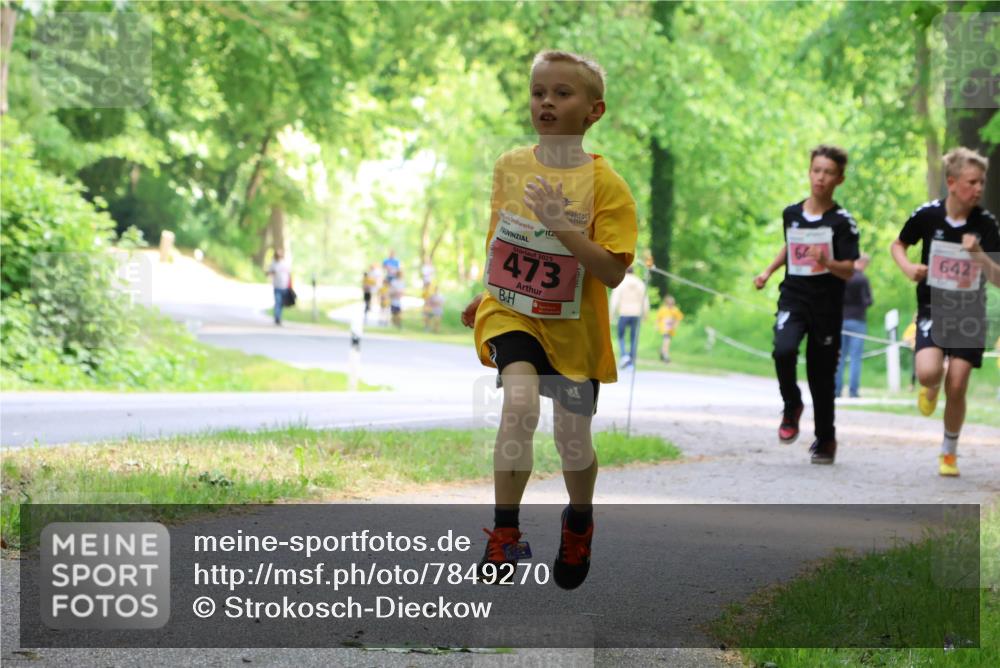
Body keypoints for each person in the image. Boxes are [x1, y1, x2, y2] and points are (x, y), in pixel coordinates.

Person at [460, 50, 636, 590]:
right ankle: (504, 535)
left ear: (594, 110)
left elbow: (611, 272)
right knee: (517, 403)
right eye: (539, 92)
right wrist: (483, 291)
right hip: (512, 312)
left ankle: (578, 520)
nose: (547, 102)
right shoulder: (511, 165)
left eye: (563, 93)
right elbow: (503, 237)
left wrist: (563, 225)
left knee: (572, 439)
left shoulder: (608, 187)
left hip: (574, 328)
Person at [890, 147, 1000, 477]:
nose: (978, 189)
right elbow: (898, 245)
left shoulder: (985, 223)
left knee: (958, 383)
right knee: (929, 373)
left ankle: (949, 451)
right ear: (951, 182)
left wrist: (979, 255)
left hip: (969, 312)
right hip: (932, 308)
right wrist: (908, 267)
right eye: (972, 182)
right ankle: (930, 385)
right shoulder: (927, 216)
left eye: (982, 182)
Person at [753, 145, 859, 465]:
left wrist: (827, 261)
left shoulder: (842, 223)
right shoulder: (792, 214)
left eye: (828, 173)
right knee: (783, 349)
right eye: (816, 170)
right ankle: (791, 405)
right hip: (794, 297)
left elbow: (849, 269)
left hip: (826, 305)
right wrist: (768, 271)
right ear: (809, 171)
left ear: (839, 179)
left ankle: (825, 439)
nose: (820, 178)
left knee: (820, 374)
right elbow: (790, 245)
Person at [835, 253, 874, 398]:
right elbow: (868, 300)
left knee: (840, 357)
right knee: (855, 358)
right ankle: (853, 391)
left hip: (841, 320)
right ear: (862, 263)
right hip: (858, 321)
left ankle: (837, 390)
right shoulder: (863, 279)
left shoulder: (842, 277)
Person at [609, 265, 649, 368]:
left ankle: (624, 356)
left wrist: (611, 314)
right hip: (636, 314)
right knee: (633, 338)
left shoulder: (621, 281)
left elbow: (614, 300)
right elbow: (645, 300)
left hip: (624, 312)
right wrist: (646, 314)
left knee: (621, 336)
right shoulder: (639, 282)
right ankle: (631, 361)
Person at [655, 294, 683, 363]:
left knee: (666, 342)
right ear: (666, 303)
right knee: (667, 341)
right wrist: (657, 325)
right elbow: (658, 318)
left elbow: (679, 318)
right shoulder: (663, 309)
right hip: (664, 328)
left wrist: (676, 325)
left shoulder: (675, 310)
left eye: (672, 303)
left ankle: (662, 351)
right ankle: (666, 355)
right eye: (669, 303)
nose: (670, 305)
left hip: (671, 329)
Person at [267, 248, 292, 326]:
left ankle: (279, 316)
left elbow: (289, 274)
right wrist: (272, 273)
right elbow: (269, 273)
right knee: (277, 302)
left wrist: (290, 285)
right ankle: (277, 317)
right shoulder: (273, 263)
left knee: (281, 303)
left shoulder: (285, 263)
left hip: (284, 286)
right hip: (277, 286)